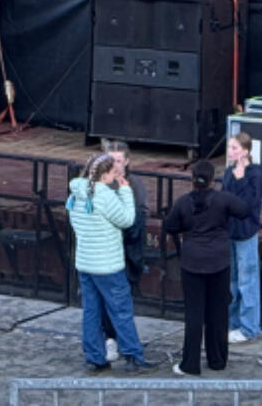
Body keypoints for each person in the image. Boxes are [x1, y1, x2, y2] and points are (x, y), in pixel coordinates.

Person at [163, 158, 248, 376]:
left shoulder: (183, 203)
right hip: (219, 262)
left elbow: (169, 225)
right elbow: (244, 210)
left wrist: (186, 228)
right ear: (212, 180)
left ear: (192, 180)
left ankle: (190, 363)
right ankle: (217, 360)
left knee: (194, 314)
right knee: (218, 313)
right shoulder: (223, 199)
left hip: (192, 263)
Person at [65, 153, 148, 373]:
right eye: (112, 172)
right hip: (108, 264)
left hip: (85, 262)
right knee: (120, 310)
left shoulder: (76, 194)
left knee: (91, 311)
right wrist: (125, 192)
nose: (115, 175)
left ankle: (95, 357)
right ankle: (133, 356)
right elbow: (127, 219)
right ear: (104, 175)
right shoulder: (103, 194)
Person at [97, 141, 149, 361]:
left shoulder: (135, 185)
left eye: (119, 160)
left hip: (129, 250)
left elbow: (139, 217)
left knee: (123, 298)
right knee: (106, 299)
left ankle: (123, 342)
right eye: (112, 161)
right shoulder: (102, 184)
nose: (116, 165)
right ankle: (111, 338)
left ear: (127, 161)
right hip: (108, 251)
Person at [223, 130, 262, 344]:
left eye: (234, 148)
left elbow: (249, 204)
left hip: (246, 232)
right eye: (229, 147)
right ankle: (233, 323)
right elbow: (225, 198)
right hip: (230, 231)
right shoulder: (228, 172)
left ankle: (249, 327)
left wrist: (240, 180)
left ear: (245, 151)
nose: (230, 152)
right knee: (232, 281)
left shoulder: (255, 173)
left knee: (247, 280)